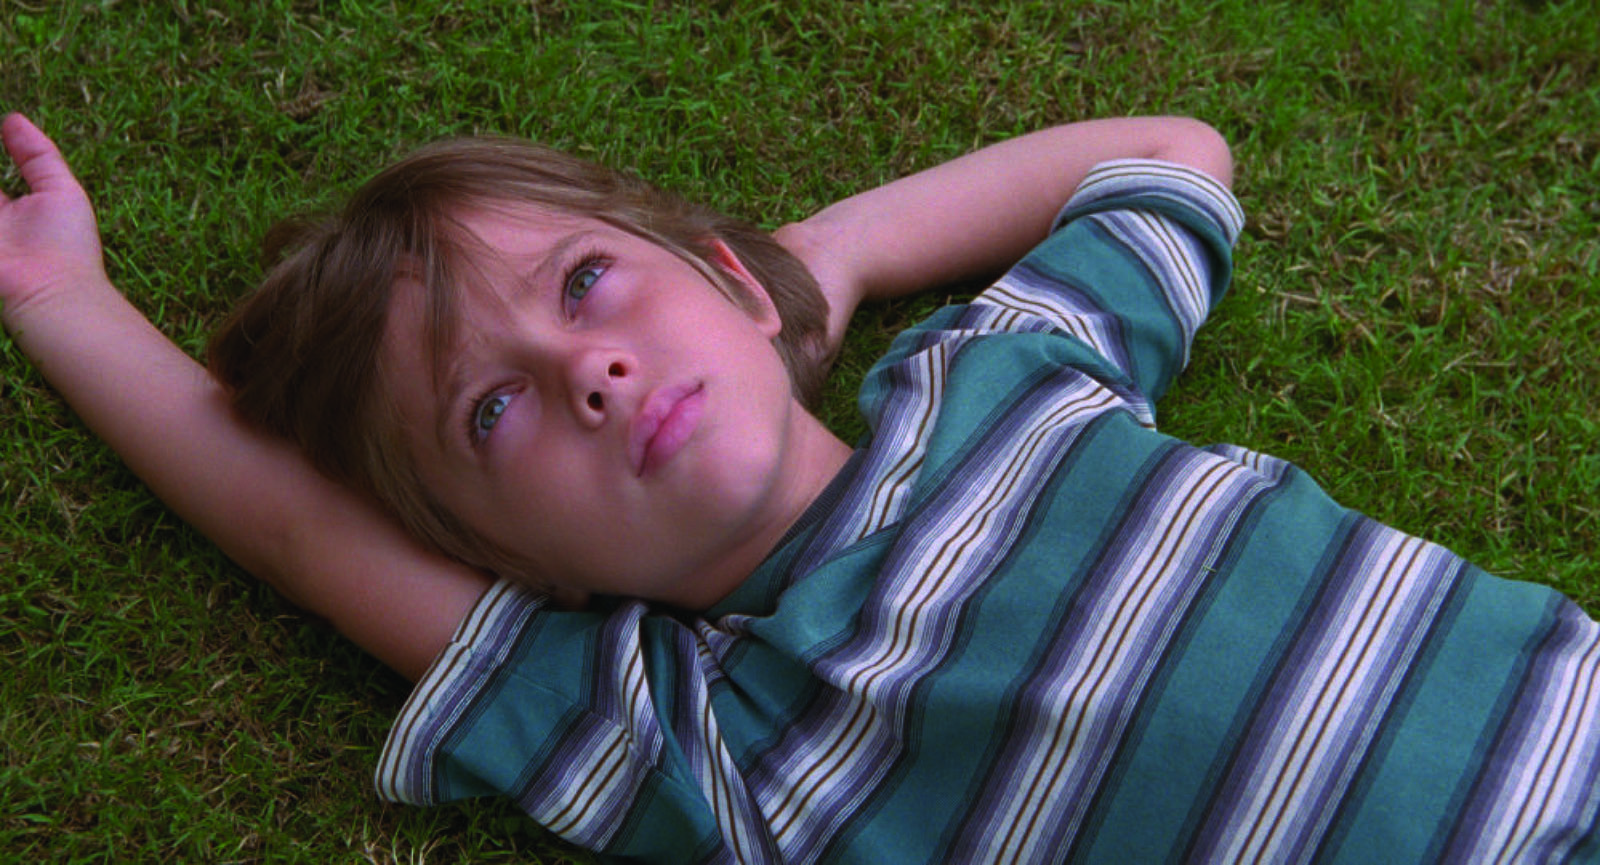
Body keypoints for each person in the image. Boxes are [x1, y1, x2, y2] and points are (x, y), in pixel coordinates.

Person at [2, 111, 1596, 863]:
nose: (587, 369)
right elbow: (294, 529)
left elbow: (1173, 159)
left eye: (585, 283)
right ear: (501, 563)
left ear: (723, 277)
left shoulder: (999, 374)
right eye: (489, 412)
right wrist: (66, 304)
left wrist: (819, 261)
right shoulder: (697, 727)